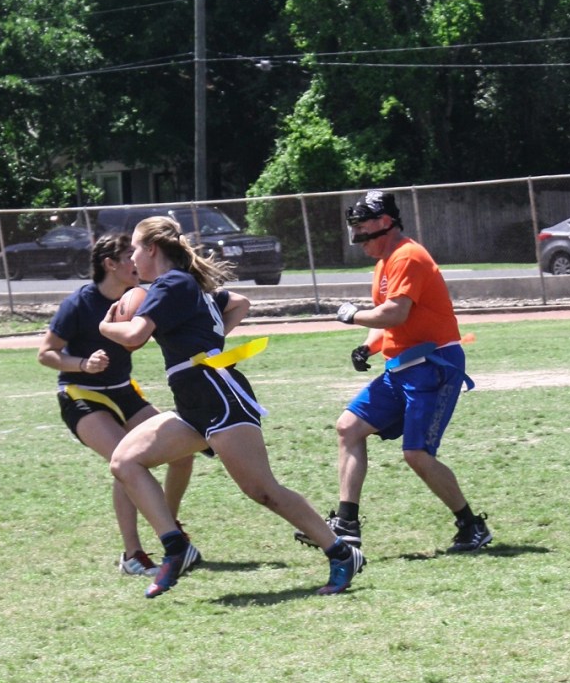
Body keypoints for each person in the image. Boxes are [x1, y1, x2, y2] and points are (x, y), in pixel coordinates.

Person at [97, 216, 366, 598]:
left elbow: (134, 337)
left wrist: (105, 326)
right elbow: (237, 303)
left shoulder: (171, 283)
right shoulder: (179, 285)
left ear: (152, 248)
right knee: (125, 462)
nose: (132, 259)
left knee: (263, 491)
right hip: (193, 400)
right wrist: (210, 339)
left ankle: (341, 552)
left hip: (217, 395)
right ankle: (176, 548)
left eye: (135, 249)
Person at [295, 189, 492, 554]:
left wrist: (350, 315)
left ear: (384, 223)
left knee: (416, 454)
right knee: (348, 427)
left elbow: (394, 313)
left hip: (433, 366)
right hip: (402, 366)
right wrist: (368, 346)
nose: (357, 235)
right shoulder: (385, 262)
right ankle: (347, 523)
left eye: (362, 225)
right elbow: (387, 317)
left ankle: (471, 526)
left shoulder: (408, 257)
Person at [37, 233, 194, 577]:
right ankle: (133, 555)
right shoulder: (79, 304)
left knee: (182, 454)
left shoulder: (139, 297)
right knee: (125, 463)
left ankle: (168, 527)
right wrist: (82, 364)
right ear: (110, 264)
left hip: (124, 390)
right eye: (129, 256)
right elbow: (46, 354)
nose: (136, 261)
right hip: (83, 394)